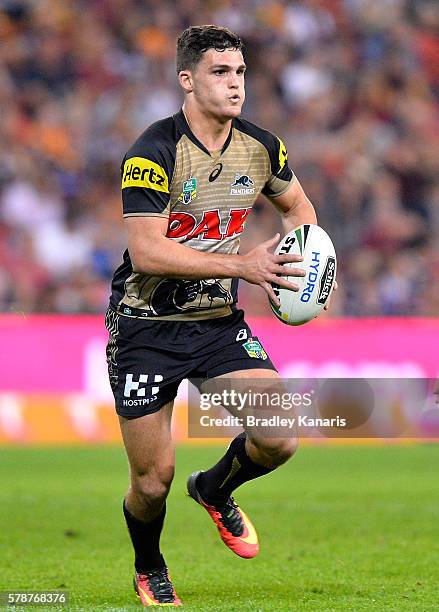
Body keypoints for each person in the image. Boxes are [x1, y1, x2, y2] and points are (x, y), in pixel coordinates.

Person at [106, 24, 320, 607]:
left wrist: (305, 267)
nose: (236, 85)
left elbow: (299, 208)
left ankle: (215, 487)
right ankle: (148, 566)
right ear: (187, 80)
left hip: (216, 323)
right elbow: (147, 250)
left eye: (241, 73)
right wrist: (243, 267)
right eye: (220, 73)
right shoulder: (152, 151)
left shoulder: (261, 145)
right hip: (145, 328)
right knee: (152, 482)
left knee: (279, 438)